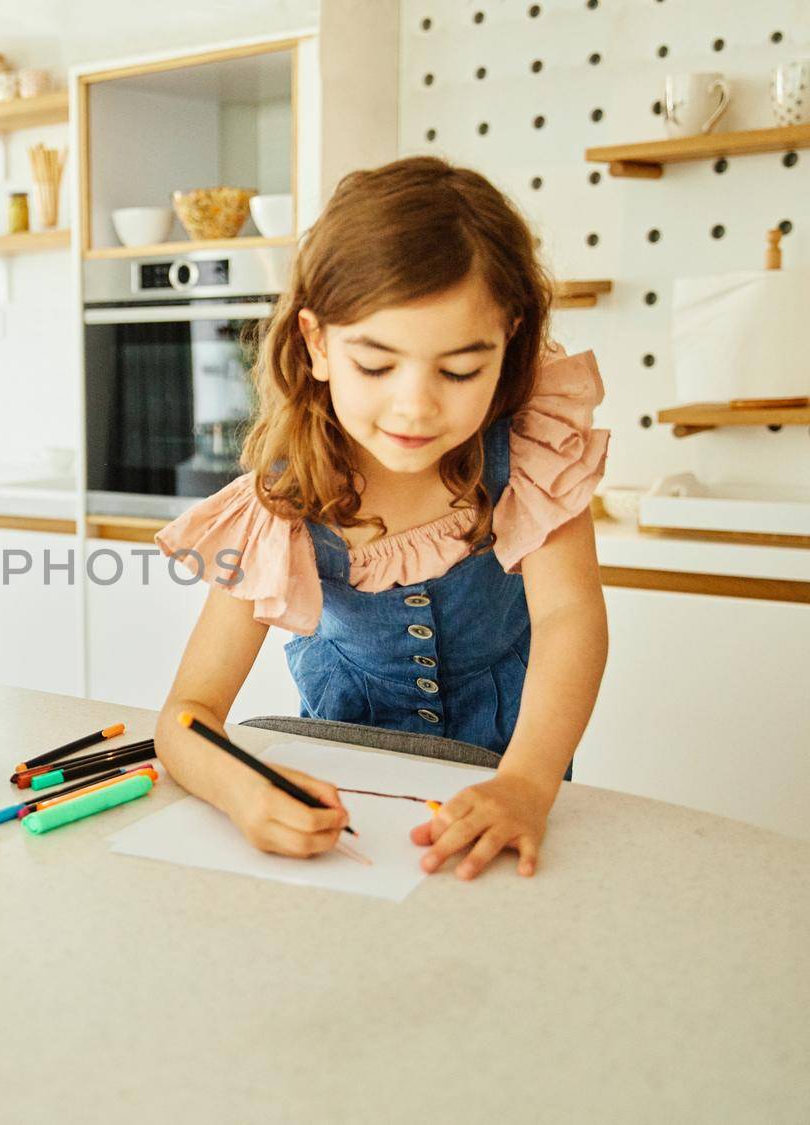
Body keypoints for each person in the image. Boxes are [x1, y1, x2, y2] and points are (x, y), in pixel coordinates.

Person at [153, 156, 609, 880]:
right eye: (377, 365)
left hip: (511, 766)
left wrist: (526, 782)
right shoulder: (281, 502)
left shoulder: (531, 450)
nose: (415, 407)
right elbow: (187, 713)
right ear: (317, 343)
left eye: (459, 370)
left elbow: (569, 618)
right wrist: (241, 790)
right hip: (351, 784)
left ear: (509, 344)